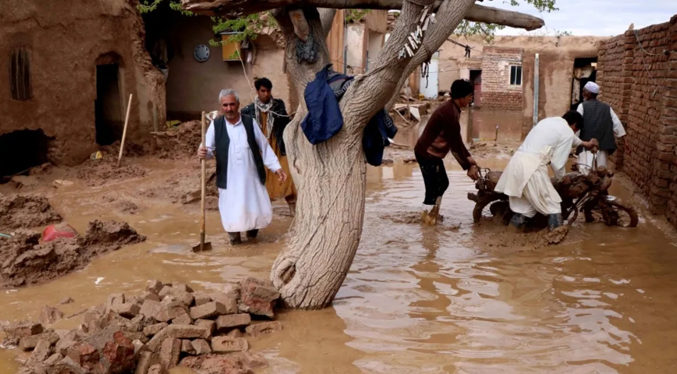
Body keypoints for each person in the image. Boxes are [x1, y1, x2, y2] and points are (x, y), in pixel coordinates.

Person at [198, 89, 287, 245]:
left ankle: (252, 241)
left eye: (232, 104)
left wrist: (276, 168)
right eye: (225, 105)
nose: (229, 108)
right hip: (229, 179)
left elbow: (264, 147)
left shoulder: (249, 122)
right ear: (221, 107)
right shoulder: (215, 126)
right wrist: (203, 153)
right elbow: (207, 150)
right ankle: (235, 242)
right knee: (231, 211)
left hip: (251, 177)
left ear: (238, 104)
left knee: (253, 208)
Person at [494, 111, 599, 231]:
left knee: (525, 209)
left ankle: (509, 238)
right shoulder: (567, 132)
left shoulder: (548, 122)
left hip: (516, 164)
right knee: (553, 206)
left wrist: (586, 144)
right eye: (576, 130)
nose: (574, 133)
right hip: (532, 169)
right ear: (575, 125)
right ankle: (554, 244)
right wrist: (562, 178)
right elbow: (557, 163)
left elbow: (570, 138)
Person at [414, 79, 480, 225]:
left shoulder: (453, 109)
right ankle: (427, 223)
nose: (471, 99)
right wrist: (467, 167)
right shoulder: (449, 113)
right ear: (461, 97)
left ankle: (433, 214)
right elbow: (455, 145)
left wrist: (469, 158)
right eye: (470, 96)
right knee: (432, 189)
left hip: (433, 154)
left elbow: (457, 140)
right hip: (426, 154)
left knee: (443, 183)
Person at [241, 78, 297, 217]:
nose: (266, 94)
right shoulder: (248, 110)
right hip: (260, 150)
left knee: (287, 175)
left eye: (268, 91)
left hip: (278, 146)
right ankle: (264, 213)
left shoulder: (278, 106)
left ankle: (292, 210)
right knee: (263, 179)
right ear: (257, 91)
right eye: (263, 91)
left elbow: (285, 125)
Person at [576, 81, 629, 174]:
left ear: (589, 93)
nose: (582, 93)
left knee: (585, 173)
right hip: (602, 146)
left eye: (584, 91)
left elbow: (577, 125)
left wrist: (575, 141)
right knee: (601, 172)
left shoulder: (582, 106)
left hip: (586, 145)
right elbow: (617, 124)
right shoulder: (607, 107)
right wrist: (625, 141)